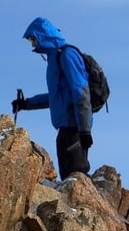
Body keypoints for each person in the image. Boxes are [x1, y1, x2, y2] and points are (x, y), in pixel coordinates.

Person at [12, 17, 93, 178]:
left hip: (74, 128)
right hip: (64, 129)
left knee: (76, 178)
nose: (33, 44)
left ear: (43, 35)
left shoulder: (67, 55)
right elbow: (56, 97)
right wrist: (26, 104)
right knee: (68, 179)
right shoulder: (54, 59)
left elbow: (81, 91)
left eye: (33, 39)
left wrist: (84, 129)